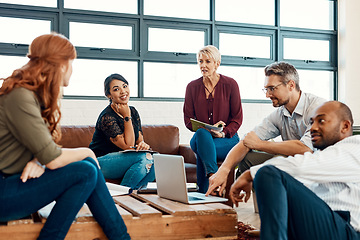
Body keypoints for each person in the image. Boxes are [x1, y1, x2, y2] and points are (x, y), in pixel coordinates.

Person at [0, 33, 130, 239]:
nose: (72, 68)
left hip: (15, 183)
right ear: (60, 65)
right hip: (5, 190)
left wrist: (38, 160)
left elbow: (40, 147)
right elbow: (53, 158)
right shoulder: (20, 96)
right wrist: (85, 151)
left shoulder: (30, 94)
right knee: (86, 169)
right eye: (71, 62)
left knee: (86, 169)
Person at [230, 101, 360, 239]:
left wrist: (249, 174)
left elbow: (301, 167)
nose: (313, 128)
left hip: (347, 230)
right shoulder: (324, 159)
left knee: (268, 172)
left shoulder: (355, 146)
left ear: (345, 126)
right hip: (326, 223)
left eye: (321, 121)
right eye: (312, 122)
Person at [206, 61, 326, 196]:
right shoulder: (279, 114)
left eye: (272, 88)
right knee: (248, 158)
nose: (267, 95)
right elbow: (246, 141)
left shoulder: (318, 108)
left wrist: (260, 144)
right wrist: (224, 170)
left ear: (291, 85)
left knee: (280, 158)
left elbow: (305, 149)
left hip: (317, 168)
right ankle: (263, 204)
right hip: (293, 164)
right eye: (266, 89)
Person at [183, 45, 243, 193]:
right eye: (200, 61)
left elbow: (237, 118)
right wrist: (209, 128)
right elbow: (188, 120)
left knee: (204, 151)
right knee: (202, 134)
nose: (203, 65)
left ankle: (203, 193)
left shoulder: (230, 84)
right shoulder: (192, 87)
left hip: (227, 139)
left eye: (207, 61)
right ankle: (213, 175)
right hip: (201, 137)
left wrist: (222, 132)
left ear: (217, 63)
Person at [89, 73, 155, 190]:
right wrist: (126, 117)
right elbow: (128, 146)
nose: (123, 91)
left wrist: (143, 145)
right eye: (116, 89)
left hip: (123, 160)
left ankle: (133, 196)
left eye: (125, 86)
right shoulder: (107, 117)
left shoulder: (133, 111)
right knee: (144, 158)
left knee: (156, 160)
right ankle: (122, 196)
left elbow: (139, 141)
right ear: (109, 95)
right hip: (100, 161)